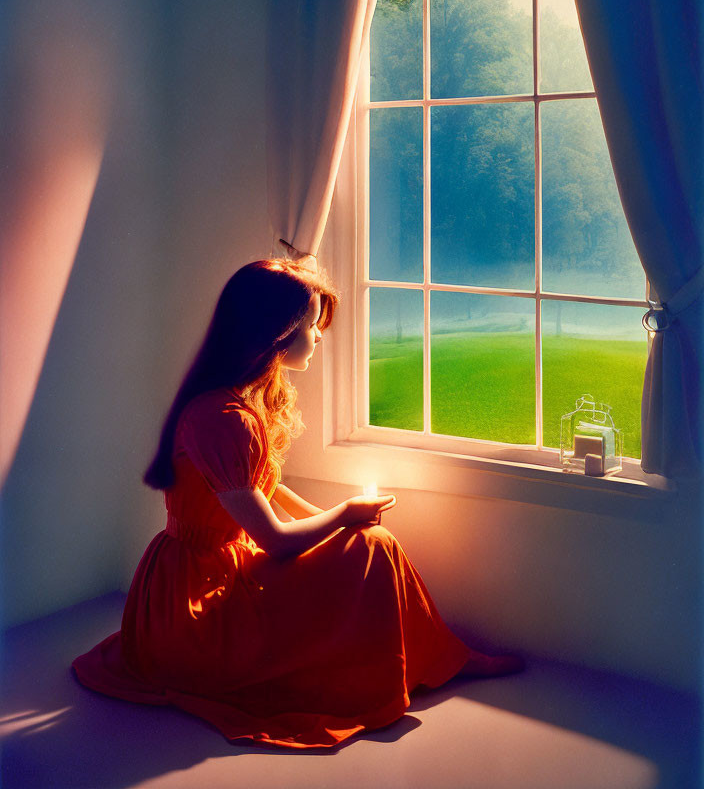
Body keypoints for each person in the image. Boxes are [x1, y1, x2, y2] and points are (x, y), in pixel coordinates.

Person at [71, 257, 524, 749]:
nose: (318, 336)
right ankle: (436, 662)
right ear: (276, 333)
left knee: (370, 544)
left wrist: (337, 521)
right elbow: (275, 540)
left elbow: (261, 492)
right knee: (374, 546)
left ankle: (439, 658)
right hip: (197, 606)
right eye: (311, 325)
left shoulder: (234, 403)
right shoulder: (224, 418)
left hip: (210, 576)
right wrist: (344, 517)